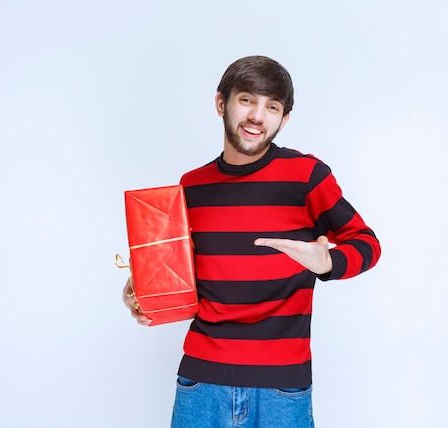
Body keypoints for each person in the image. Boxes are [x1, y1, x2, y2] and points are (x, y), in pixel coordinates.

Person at [123, 55, 381, 427]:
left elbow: (367, 243)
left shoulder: (307, 175)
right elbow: (178, 276)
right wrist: (143, 294)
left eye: (271, 107)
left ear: (284, 119)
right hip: (201, 383)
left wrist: (326, 263)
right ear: (221, 103)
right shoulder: (191, 186)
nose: (257, 116)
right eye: (246, 100)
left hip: (282, 390)